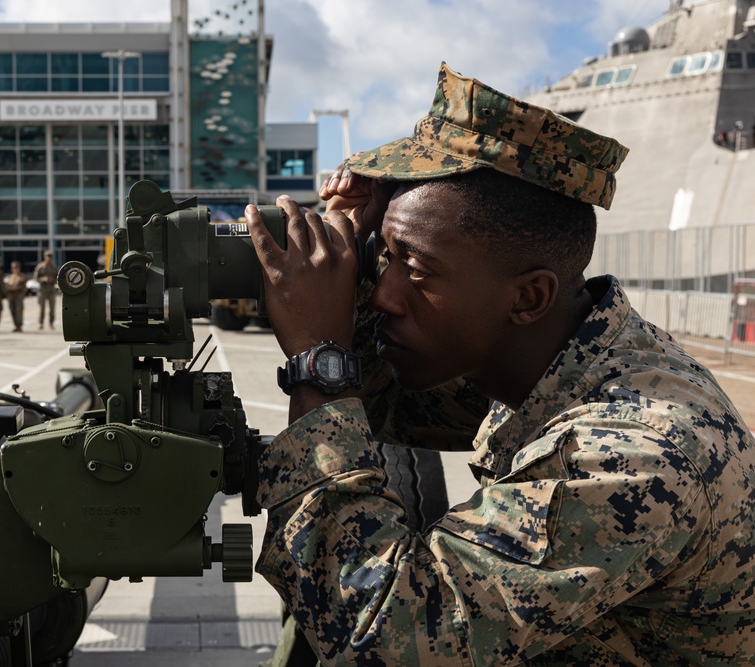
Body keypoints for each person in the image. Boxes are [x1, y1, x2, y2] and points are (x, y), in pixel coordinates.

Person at [245, 63, 755, 665]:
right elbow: (387, 407)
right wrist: (352, 258)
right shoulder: (553, 354)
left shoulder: (635, 452)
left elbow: (379, 633)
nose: (384, 293)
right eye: (386, 256)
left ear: (529, 296)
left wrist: (317, 361)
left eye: (415, 269)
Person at [34, 250, 58, 330]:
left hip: (51, 290)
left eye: (50, 257)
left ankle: (51, 323)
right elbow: (35, 278)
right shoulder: (40, 267)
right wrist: (43, 279)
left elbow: (58, 279)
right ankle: (41, 323)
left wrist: (52, 280)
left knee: (52, 308)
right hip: (42, 290)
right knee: (42, 309)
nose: (49, 259)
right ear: (45, 257)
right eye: (47, 257)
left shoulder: (54, 267)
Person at [4, 260, 26, 332]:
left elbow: (22, 287)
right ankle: (16, 325)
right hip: (11, 297)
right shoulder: (10, 277)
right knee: (12, 311)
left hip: (18, 297)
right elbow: (7, 286)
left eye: (16, 268)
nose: (14, 270)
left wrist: (13, 288)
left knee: (19, 312)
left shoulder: (22, 276)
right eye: (13, 268)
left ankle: (19, 326)